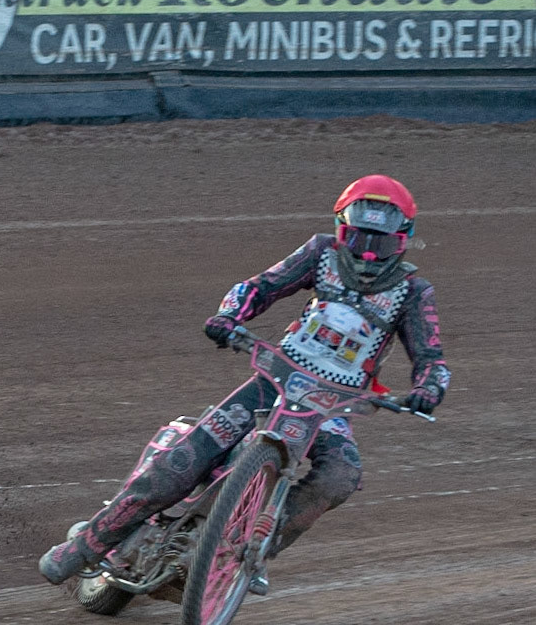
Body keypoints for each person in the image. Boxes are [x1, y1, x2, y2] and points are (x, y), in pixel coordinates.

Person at [37, 174, 449, 592]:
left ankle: (254, 551)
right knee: (182, 463)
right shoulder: (320, 253)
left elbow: (431, 355)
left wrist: (429, 388)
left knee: (340, 476)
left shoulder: (413, 292)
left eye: (379, 243)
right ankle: (83, 547)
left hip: (332, 404)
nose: (367, 253)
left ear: (402, 240)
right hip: (276, 377)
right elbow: (261, 286)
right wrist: (229, 316)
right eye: (359, 238)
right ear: (343, 229)